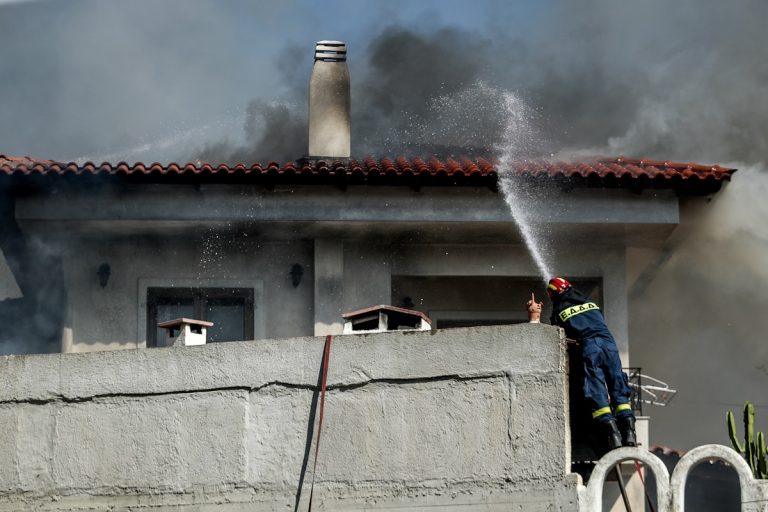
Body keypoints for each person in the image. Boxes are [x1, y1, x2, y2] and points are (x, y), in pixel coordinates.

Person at [544, 277, 636, 450]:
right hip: (609, 343)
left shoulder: (559, 310)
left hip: (590, 347)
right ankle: (630, 432)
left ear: (553, 294)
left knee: (596, 388)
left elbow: (559, 337)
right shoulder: (590, 303)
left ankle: (613, 435)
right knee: (617, 383)